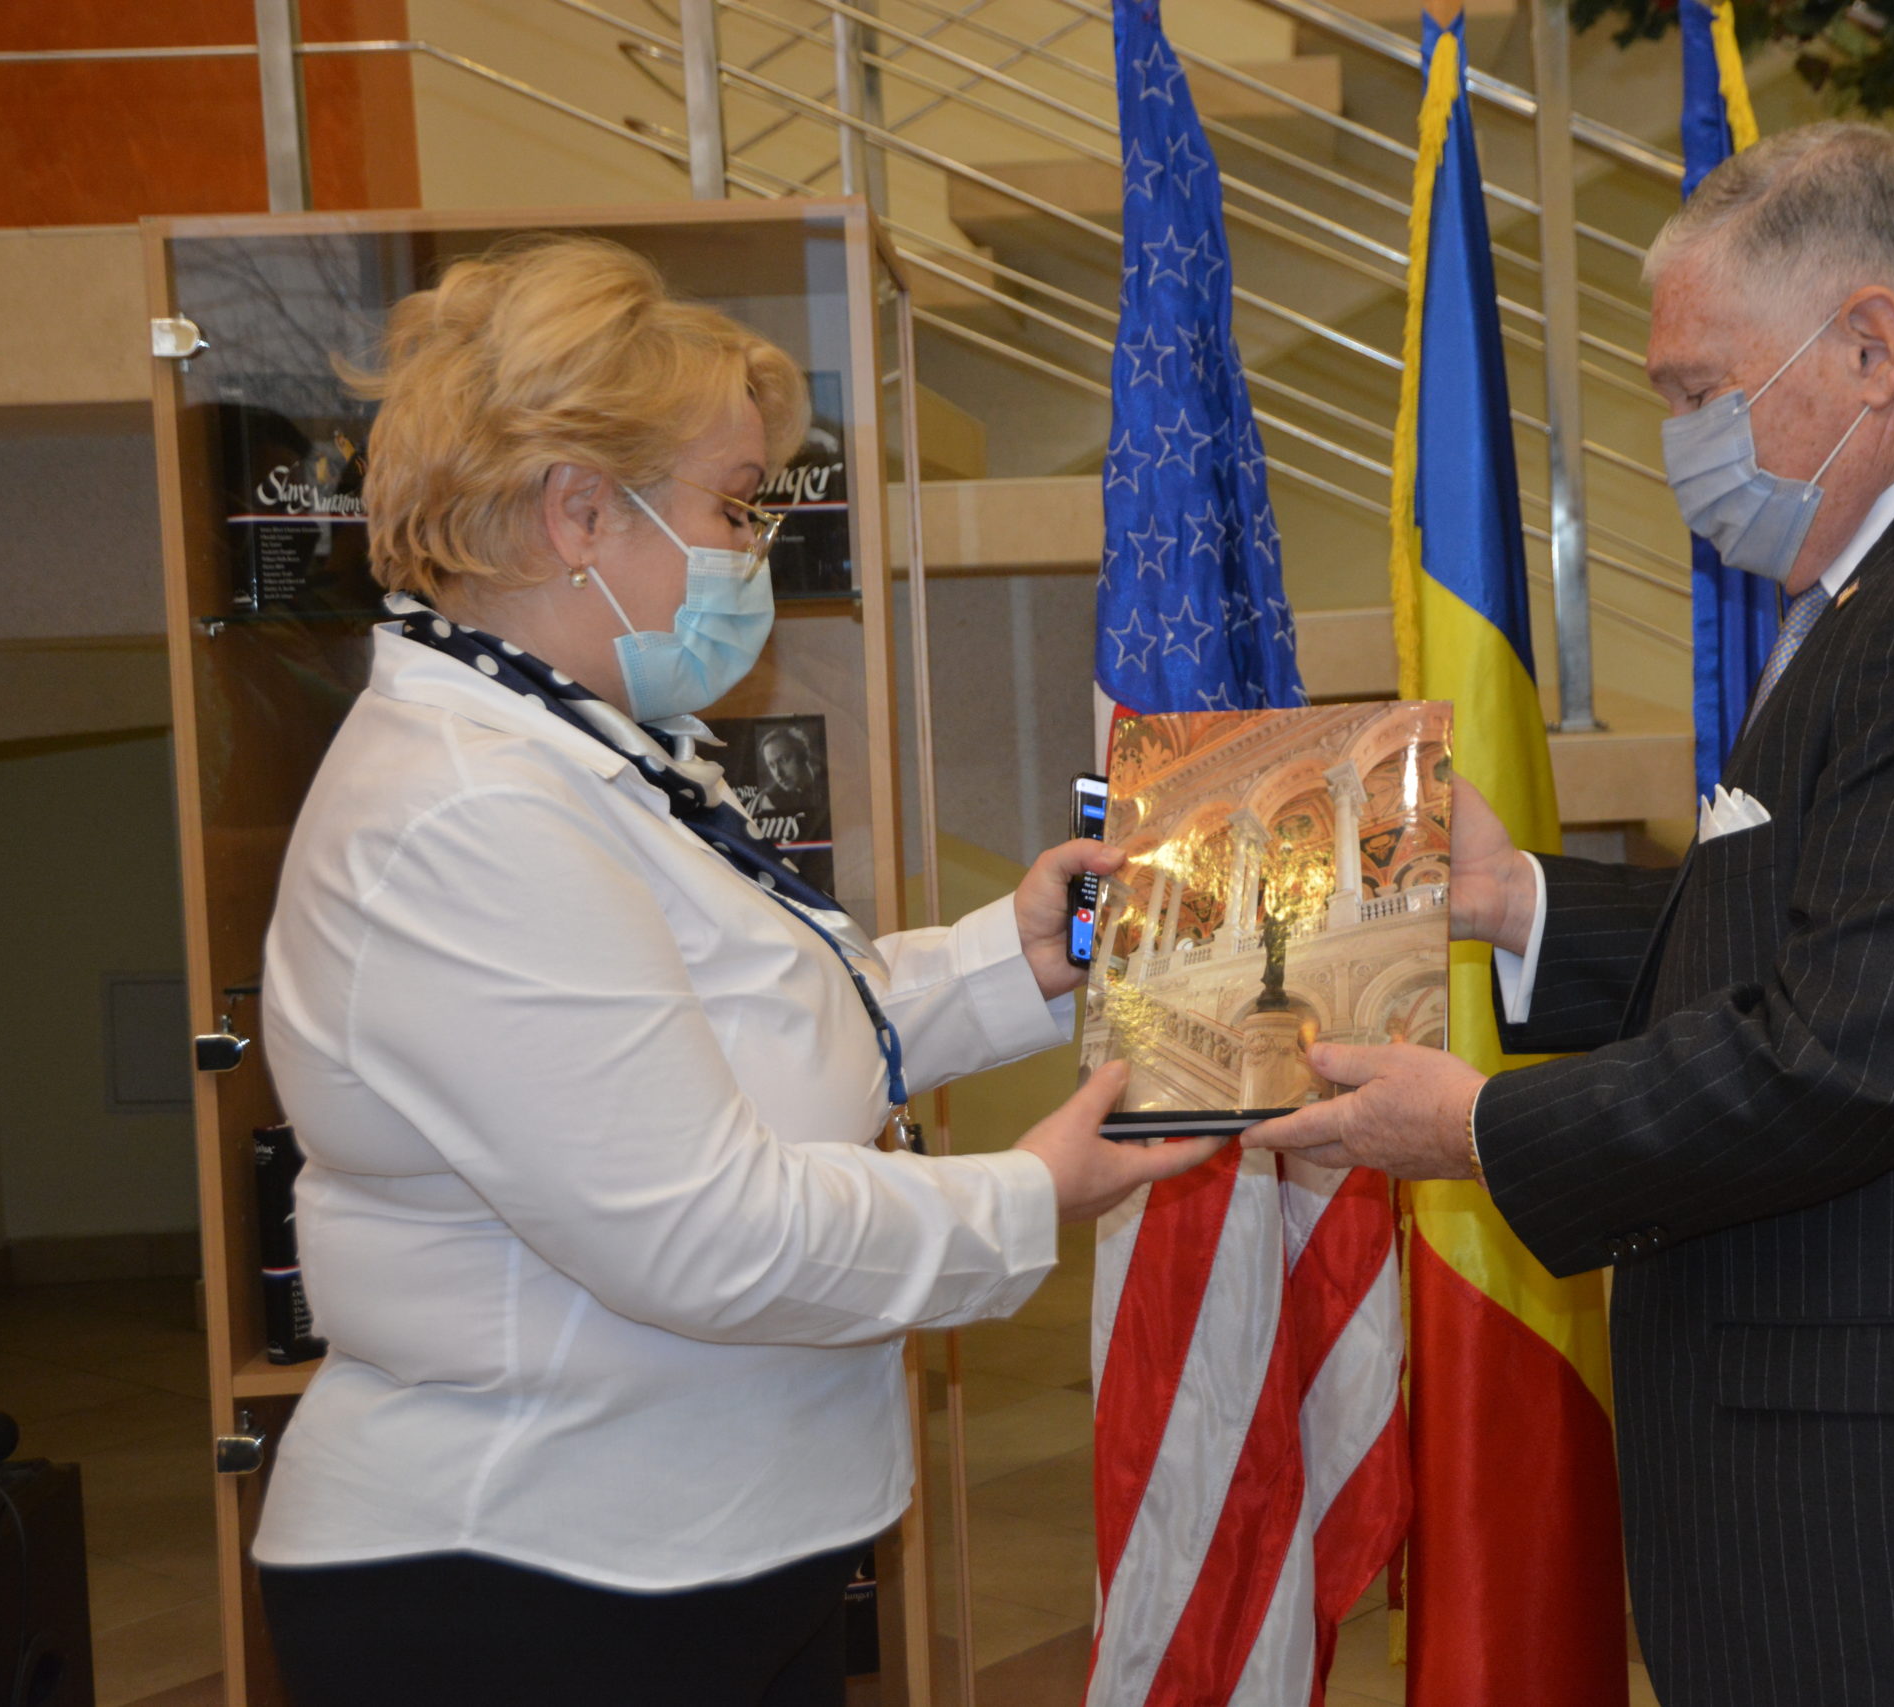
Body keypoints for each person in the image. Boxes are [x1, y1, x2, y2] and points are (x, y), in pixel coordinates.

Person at [1246, 123, 1894, 1705]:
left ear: (1874, 347)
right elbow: (1833, 930)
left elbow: (1841, 1053)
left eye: (1692, 390)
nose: (1680, 438)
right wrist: (1508, 900)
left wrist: (1479, 1128)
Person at [252, 234, 1215, 1707]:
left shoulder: (573, 751)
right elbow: (700, 1230)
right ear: (579, 510)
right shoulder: (466, 813)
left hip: (681, 1560)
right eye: (736, 502)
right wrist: (1029, 1197)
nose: (755, 543)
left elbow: (751, 1030)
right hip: (528, 1583)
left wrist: (1012, 961)